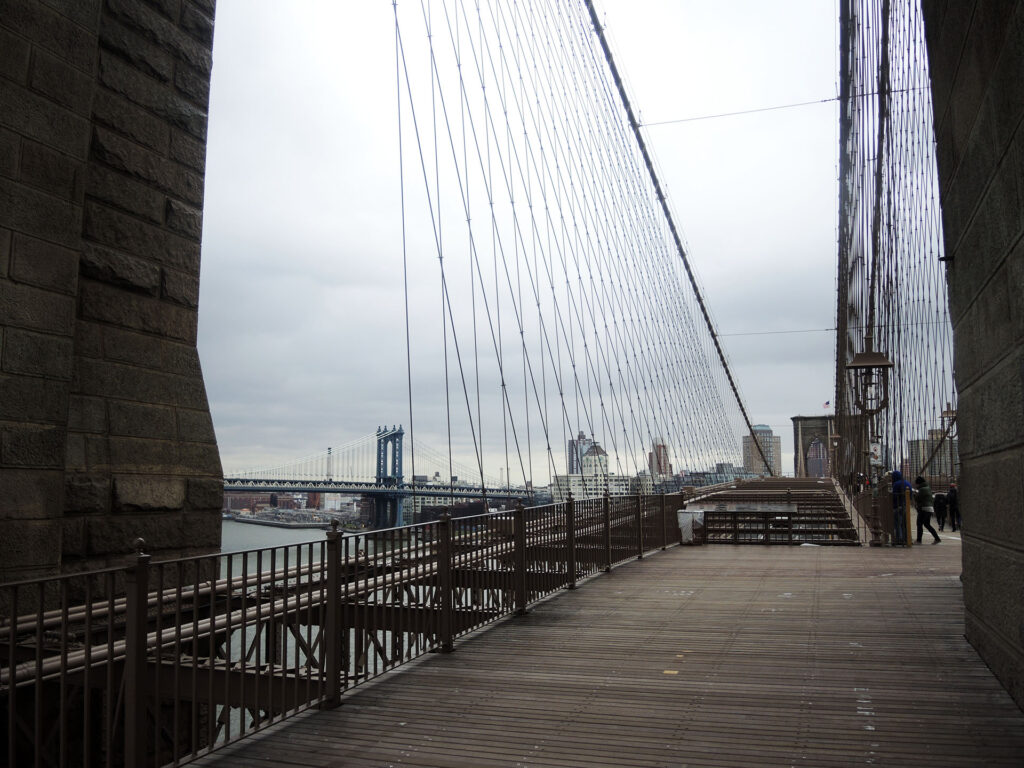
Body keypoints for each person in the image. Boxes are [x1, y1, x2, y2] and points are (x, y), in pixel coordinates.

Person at [914, 476, 941, 544]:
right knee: (927, 524)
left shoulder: (922, 489)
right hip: (929, 508)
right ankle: (937, 538)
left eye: (917, 484)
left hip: (924, 508)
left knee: (919, 524)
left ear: (919, 483)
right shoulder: (928, 488)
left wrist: (915, 494)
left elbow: (917, 499)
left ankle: (919, 540)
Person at [890, 470, 912, 545]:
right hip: (906, 507)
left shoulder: (896, 484)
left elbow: (894, 496)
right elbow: (911, 496)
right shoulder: (908, 483)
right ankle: (907, 539)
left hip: (898, 506)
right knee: (905, 524)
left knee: (898, 524)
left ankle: (899, 539)